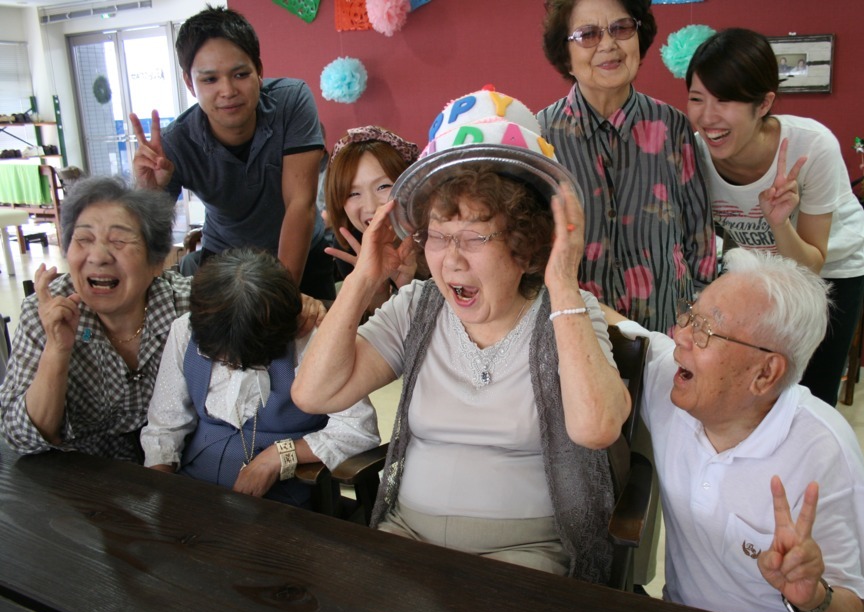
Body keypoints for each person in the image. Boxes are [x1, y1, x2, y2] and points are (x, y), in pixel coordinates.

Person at [292, 89, 630, 582]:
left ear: (524, 242)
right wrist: (365, 278)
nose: (450, 259)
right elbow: (312, 392)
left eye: (474, 236)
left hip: (525, 555)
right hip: (405, 538)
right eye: (437, 235)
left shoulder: (567, 314)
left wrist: (563, 282)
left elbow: (596, 428)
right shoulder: (417, 308)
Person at [608, 248, 864, 612]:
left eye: (705, 329)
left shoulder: (822, 449)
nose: (680, 335)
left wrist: (813, 598)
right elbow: (616, 323)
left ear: (766, 373)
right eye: (689, 314)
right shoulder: (674, 382)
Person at [685, 28, 864, 406]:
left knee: (811, 396)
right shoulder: (694, 152)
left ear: (764, 103)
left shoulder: (811, 147)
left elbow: (809, 269)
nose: (708, 117)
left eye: (726, 101)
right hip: (764, 267)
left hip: (831, 268)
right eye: (696, 99)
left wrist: (779, 221)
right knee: (755, 388)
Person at [140, 249, 379, 508]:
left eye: (240, 360)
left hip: (283, 501)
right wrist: (158, 496)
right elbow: (165, 425)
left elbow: (358, 430)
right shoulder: (186, 330)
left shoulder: (311, 340)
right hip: (193, 486)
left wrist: (279, 456)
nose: (229, 366)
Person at [129, 5, 335, 301]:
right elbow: (145, 238)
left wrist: (279, 302)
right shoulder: (175, 143)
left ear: (259, 72)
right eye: (209, 79)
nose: (227, 90)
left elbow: (299, 205)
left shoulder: (291, 102)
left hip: (302, 255)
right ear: (190, 82)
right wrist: (147, 189)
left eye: (240, 74)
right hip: (225, 262)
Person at [538, 0, 715, 336]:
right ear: (566, 56)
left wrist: (701, 315)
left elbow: (700, 236)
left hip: (667, 333)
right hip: (577, 335)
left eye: (621, 28)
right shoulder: (541, 136)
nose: (608, 45)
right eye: (588, 34)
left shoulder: (672, 126)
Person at [0, 176, 190, 461]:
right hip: (78, 484)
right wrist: (56, 348)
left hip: (180, 479)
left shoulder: (191, 307)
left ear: (156, 262)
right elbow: (20, 437)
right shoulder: (46, 312)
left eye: (119, 240)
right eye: (84, 239)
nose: (98, 256)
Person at [322, 125, 420, 311]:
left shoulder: (436, 236)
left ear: (409, 185)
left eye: (383, 186)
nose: (371, 207)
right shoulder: (351, 247)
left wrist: (410, 286)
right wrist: (375, 288)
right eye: (352, 194)